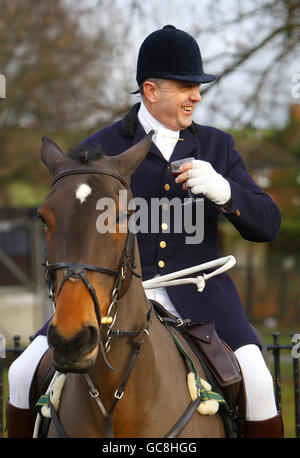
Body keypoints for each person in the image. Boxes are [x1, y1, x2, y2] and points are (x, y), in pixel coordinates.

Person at [7, 25, 283, 438]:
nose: (197, 96)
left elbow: (269, 224)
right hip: (113, 296)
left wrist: (226, 192)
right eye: (187, 86)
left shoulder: (218, 147)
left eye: (199, 87)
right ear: (151, 91)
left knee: (259, 381)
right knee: (21, 372)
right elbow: (75, 232)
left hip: (203, 295)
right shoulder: (98, 150)